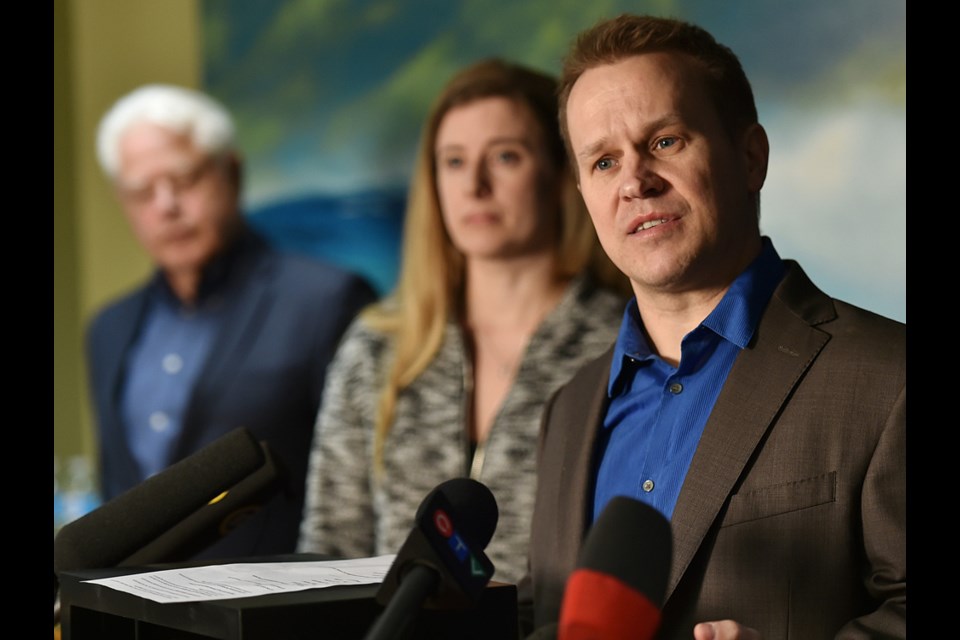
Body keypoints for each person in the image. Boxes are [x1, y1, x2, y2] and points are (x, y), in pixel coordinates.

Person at [518, 14, 906, 640]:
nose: (635, 183)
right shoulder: (568, 411)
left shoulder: (889, 380)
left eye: (665, 142)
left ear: (751, 156)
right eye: (604, 162)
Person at [296, 58, 631, 585]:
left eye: (505, 156)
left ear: (562, 174)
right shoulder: (378, 346)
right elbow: (329, 550)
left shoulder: (622, 345)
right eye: (453, 161)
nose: (474, 185)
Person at [86, 84, 378, 560]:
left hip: (272, 613)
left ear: (233, 174)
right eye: (142, 192)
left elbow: (360, 493)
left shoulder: (325, 300)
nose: (166, 206)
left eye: (184, 179)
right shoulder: (107, 329)